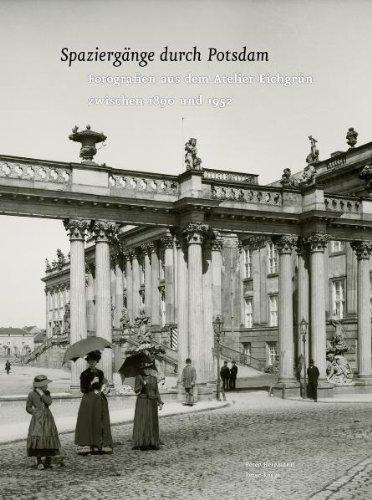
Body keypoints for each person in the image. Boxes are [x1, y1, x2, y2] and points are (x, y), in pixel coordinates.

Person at [75, 350, 113, 455]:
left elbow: (102, 385)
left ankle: (99, 444)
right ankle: (88, 444)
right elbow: (83, 390)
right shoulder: (84, 374)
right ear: (88, 361)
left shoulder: (100, 373)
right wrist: (91, 383)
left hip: (99, 399)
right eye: (90, 361)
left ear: (97, 361)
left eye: (94, 361)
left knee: (99, 421)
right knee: (89, 421)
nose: (92, 362)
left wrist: (104, 387)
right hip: (89, 400)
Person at [26, 374, 61, 470]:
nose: (47, 386)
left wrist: (42, 394)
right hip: (37, 420)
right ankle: (39, 460)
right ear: (39, 385)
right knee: (38, 438)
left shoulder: (47, 394)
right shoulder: (31, 394)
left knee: (48, 436)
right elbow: (28, 407)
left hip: (48, 418)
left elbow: (49, 402)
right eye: (45, 384)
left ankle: (48, 460)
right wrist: (35, 412)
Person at [132, 364, 164, 451]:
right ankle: (142, 443)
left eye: (149, 368)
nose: (147, 370)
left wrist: (160, 402)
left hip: (152, 402)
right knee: (144, 421)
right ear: (142, 369)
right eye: (145, 369)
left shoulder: (154, 378)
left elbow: (156, 391)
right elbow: (136, 390)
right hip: (142, 402)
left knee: (151, 422)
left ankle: (152, 442)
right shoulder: (139, 377)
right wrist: (142, 385)